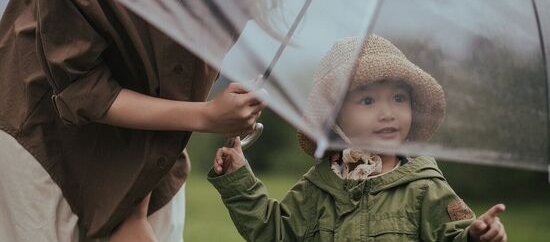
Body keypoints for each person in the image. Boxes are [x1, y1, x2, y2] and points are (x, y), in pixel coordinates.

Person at [0, 0, 278, 241]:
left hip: (155, 149)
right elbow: (79, 88)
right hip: (46, 136)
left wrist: (136, 209)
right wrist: (207, 117)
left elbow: (179, 84)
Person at [208, 35, 508, 241]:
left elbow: (453, 235)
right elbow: (275, 232)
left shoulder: (425, 187)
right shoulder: (319, 186)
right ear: (335, 117)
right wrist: (239, 181)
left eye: (399, 98)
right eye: (368, 101)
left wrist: (476, 236)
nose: (388, 113)